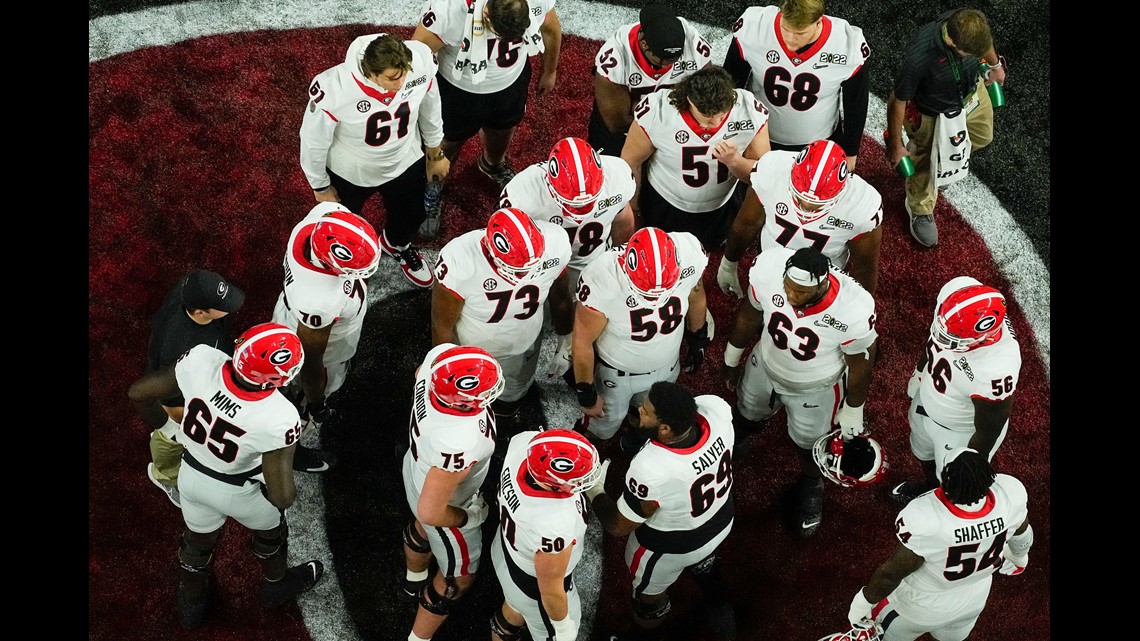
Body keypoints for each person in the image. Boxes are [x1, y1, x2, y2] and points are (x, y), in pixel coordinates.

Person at [127, 323, 325, 629]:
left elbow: (138, 393)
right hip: (238, 489)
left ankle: (191, 604)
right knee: (272, 534)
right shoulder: (279, 416)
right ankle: (276, 584)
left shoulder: (201, 359)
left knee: (196, 544)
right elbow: (283, 495)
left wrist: (170, 431)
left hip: (191, 475)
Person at [721, 246, 877, 538]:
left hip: (816, 386)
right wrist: (732, 357)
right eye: (788, 287)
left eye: (800, 292)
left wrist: (854, 407)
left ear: (821, 284)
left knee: (810, 447)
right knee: (745, 412)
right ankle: (739, 439)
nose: (791, 296)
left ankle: (811, 484)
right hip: (766, 363)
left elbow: (863, 361)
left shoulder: (851, 307)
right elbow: (751, 313)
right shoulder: (770, 269)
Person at [586, 382, 737, 641]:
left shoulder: (652, 467)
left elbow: (619, 526)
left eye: (645, 411)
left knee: (647, 600)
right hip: (721, 517)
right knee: (704, 560)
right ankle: (718, 602)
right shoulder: (716, 410)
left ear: (666, 428)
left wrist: (594, 490)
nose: (639, 413)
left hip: (673, 546)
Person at [842, 448, 1033, 641]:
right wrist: (1019, 557)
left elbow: (890, 575)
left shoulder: (925, 519)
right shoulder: (1010, 493)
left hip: (921, 607)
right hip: (975, 597)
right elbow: (1022, 532)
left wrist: (862, 603)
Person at [299, 32, 441, 287]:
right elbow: (313, 141)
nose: (402, 83)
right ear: (370, 73)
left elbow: (432, 106)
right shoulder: (335, 88)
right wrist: (319, 185)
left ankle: (396, 243)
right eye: (392, 78)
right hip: (351, 170)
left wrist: (435, 151)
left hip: (403, 159)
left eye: (404, 73)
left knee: (413, 213)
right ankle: (343, 265)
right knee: (339, 229)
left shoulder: (420, 62)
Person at [412, 0, 563, 239]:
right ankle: (433, 187)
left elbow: (550, 27)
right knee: (446, 142)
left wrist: (550, 70)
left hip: (510, 82)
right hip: (458, 89)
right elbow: (416, 53)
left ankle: (492, 164)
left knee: (504, 129)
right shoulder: (449, 9)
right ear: (487, 16)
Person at [498, 136, 637, 380]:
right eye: (571, 204)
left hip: (591, 260)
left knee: (594, 328)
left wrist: (622, 257)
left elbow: (623, 217)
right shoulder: (524, 195)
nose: (580, 212)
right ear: (549, 183)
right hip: (541, 265)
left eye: (588, 202)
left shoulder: (617, 176)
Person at [431, 207, 573, 432]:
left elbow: (561, 295)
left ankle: (502, 425)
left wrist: (566, 338)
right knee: (463, 406)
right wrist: (444, 364)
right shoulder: (461, 259)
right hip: (471, 352)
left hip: (523, 346)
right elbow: (442, 323)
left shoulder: (555, 243)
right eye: (516, 270)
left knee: (510, 400)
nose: (524, 276)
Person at [400, 342, 504, 641]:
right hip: (446, 499)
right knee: (458, 577)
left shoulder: (439, 360)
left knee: (422, 528)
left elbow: (421, 372)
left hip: (417, 468)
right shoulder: (457, 441)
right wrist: (470, 518)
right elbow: (432, 511)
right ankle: (418, 638)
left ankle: (413, 579)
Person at [571, 227, 710, 448]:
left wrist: (697, 338)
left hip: (667, 364)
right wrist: (586, 393)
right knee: (603, 426)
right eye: (646, 292)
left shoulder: (690, 254)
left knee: (647, 419)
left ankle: (636, 437)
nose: (655, 299)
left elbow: (696, 295)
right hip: (616, 374)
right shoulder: (603, 277)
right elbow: (582, 341)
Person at [271, 201, 383, 473]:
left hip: (294, 316)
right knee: (294, 393)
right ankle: (291, 448)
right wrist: (316, 401)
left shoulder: (322, 219)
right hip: (315, 342)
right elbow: (310, 361)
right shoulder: (317, 301)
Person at [888, 277, 1021, 505]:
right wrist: (920, 371)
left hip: (959, 431)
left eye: (954, 338)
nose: (942, 338)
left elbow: (990, 427)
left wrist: (970, 460)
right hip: (929, 400)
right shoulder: (957, 293)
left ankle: (942, 509)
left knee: (955, 486)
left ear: (983, 336)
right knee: (922, 453)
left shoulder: (997, 368)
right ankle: (929, 488)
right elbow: (935, 340)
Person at [884, 8, 1006, 247]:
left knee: (983, 136)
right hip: (932, 113)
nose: (974, 55)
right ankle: (919, 207)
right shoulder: (919, 55)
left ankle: (943, 164)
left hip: (970, 96)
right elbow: (897, 100)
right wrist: (896, 144)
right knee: (926, 161)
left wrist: (995, 65)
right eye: (969, 53)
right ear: (951, 41)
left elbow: (985, 43)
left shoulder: (971, 25)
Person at [620, 65, 770, 252]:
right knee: (663, 250)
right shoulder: (658, 112)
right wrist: (633, 208)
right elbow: (630, 162)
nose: (715, 123)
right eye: (707, 116)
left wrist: (735, 161)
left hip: (720, 205)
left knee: (711, 250)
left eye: (722, 115)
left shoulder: (749, 111)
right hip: (666, 202)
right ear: (689, 101)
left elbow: (764, 176)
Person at [716, 139, 884, 299]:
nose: (806, 207)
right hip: (770, 262)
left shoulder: (860, 206)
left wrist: (859, 306)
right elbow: (748, 223)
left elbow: (865, 266)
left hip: (820, 281)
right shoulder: (773, 170)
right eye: (799, 197)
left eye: (816, 204)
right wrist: (728, 264)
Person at [723, 0, 871, 171]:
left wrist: (851, 151)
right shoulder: (753, 26)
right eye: (785, 29)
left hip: (818, 141)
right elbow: (731, 81)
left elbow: (856, 102)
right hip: (758, 136)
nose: (790, 39)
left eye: (800, 33)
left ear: (818, 22)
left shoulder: (847, 45)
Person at [143, 268, 246, 507]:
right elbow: (172, 404)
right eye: (223, 305)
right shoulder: (177, 349)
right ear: (200, 312)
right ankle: (165, 476)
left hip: (201, 363)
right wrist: (180, 428)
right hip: (174, 390)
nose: (231, 307)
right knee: (169, 437)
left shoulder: (193, 290)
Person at [489, 428, 602, 641]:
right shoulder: (554, 523)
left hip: (506, 550)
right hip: (535, 587)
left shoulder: (525, 443)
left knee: (514, 609)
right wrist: (562, 627)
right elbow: (550, 591)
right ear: (552, 483)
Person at [588, 4, 714, 157]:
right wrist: (674, 114)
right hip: (623, 135)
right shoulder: (615, 58)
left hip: (669, 131)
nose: (668, 64)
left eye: (674, 59)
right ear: (643, 42)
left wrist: (645, 111)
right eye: (661, 59)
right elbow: (617, 124)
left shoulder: (694, 44)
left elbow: (707, 99)